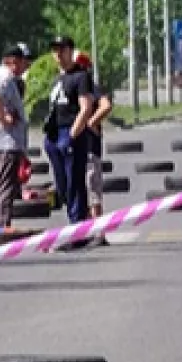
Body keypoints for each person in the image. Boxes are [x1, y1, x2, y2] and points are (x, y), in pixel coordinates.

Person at [41, 35, 98, 243]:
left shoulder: (80, 77)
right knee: (62, 185)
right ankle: (75, 220)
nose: (58, 54)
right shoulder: (57, 79)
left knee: (75, 183)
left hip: (70, 132)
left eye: (62, 49)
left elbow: (86, 108)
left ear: (70, 51)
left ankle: (78, 229)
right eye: (55, 50)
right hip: (54, 135)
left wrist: (73, 134)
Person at [0, 43, 31, 233]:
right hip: (5, 142)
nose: (24, 67)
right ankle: (0, 229)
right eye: (22, 62)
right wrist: (5, 119)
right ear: (12, 61)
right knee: (4, 188)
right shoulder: (5, 78)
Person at [71, 52, 116, 244]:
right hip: (77, 147)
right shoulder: (74, 87)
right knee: (80, 187)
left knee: (92, 187)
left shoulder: (90, 87)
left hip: (89, 146)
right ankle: (88, 228)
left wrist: (90, 122)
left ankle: (99, 232)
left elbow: (106, 106)